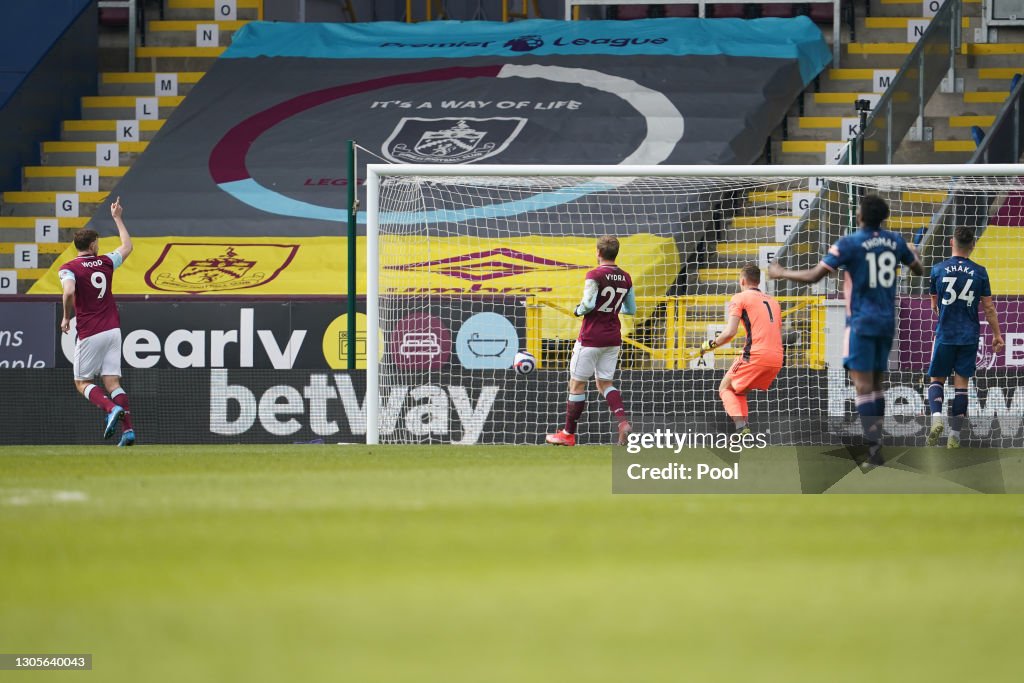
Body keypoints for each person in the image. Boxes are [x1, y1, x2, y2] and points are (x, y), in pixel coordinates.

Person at [768, 195, 924, 468]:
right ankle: (877, 447)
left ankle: (873, 451)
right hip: (887, 321)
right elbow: (919, 270)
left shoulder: (849, 243)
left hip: (861, 322)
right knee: (876, 384)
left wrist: (782, 273)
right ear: (883, 218)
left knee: (862, 386)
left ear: (861, 216)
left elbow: (815, 275)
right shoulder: (896, 241)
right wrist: (913, 250)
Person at [58, 197, 136, 446]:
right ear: (92, 245)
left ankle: (110, 409)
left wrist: (66, 316)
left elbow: (69, 291)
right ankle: (128, 431)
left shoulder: (68, 267)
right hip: (113, 329)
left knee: (82, 382)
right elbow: (127, 245)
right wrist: (118, 218)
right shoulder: (105, 262)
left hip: (91, 331)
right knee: (113, 382)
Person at [546, 236, 636, 447]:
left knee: (577, 384)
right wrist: (612, 307)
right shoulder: (626, 277)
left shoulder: (594, 274)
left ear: (598, 252)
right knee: (605, 383)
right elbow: (631, 309)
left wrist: (578, 311)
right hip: (613, 337)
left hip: (591, 337)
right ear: (616, 253)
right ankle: (623, 422)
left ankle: (568, 433)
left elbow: (587, 304)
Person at [926, 225, 1004, 448]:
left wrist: (938, 307)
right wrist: (997, 334)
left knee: (936, 379)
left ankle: (936, 418)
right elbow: (989, 309)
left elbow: (934, 303)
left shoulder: (938, 269)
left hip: (945, 334)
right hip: (969, 336)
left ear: (952, 242)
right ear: (972, 246)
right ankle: (955, 436)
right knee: (962, 385)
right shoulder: (980, 272)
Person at [699, 263, 783, 434]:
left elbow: (730, 332)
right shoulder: (774, 302)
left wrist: (710, 345)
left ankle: (740, 427)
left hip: (755, 355)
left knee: (725, 387)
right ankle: (742, 433)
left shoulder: (740, 297)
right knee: (739, 391)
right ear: (758, 281)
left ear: (742, 281)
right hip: (776, 358)